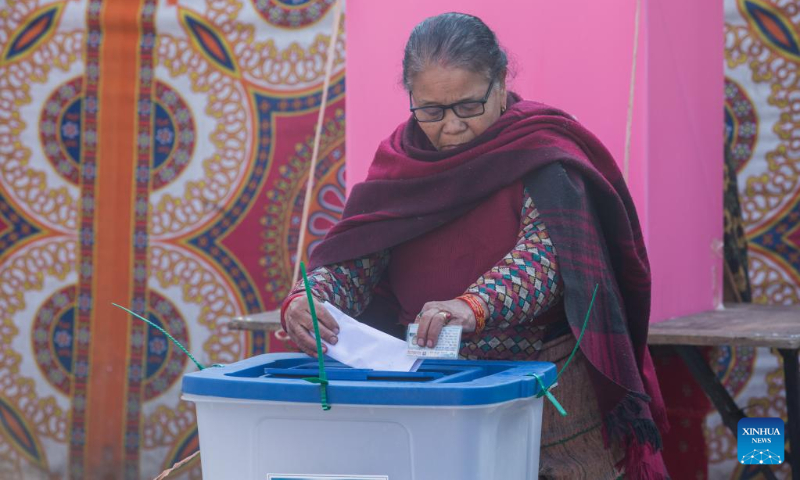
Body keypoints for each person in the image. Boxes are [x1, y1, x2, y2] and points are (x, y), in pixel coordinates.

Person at [281, 12, 668, 479]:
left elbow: (544, 262)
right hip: (428, 384)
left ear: (500, 84)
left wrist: (473, 305)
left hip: (548, 386)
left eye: (468, 107)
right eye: (431, 110)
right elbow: (355, 260)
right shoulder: (400, 167)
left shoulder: (542, 153)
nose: (451, 128)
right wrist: (312, 298)